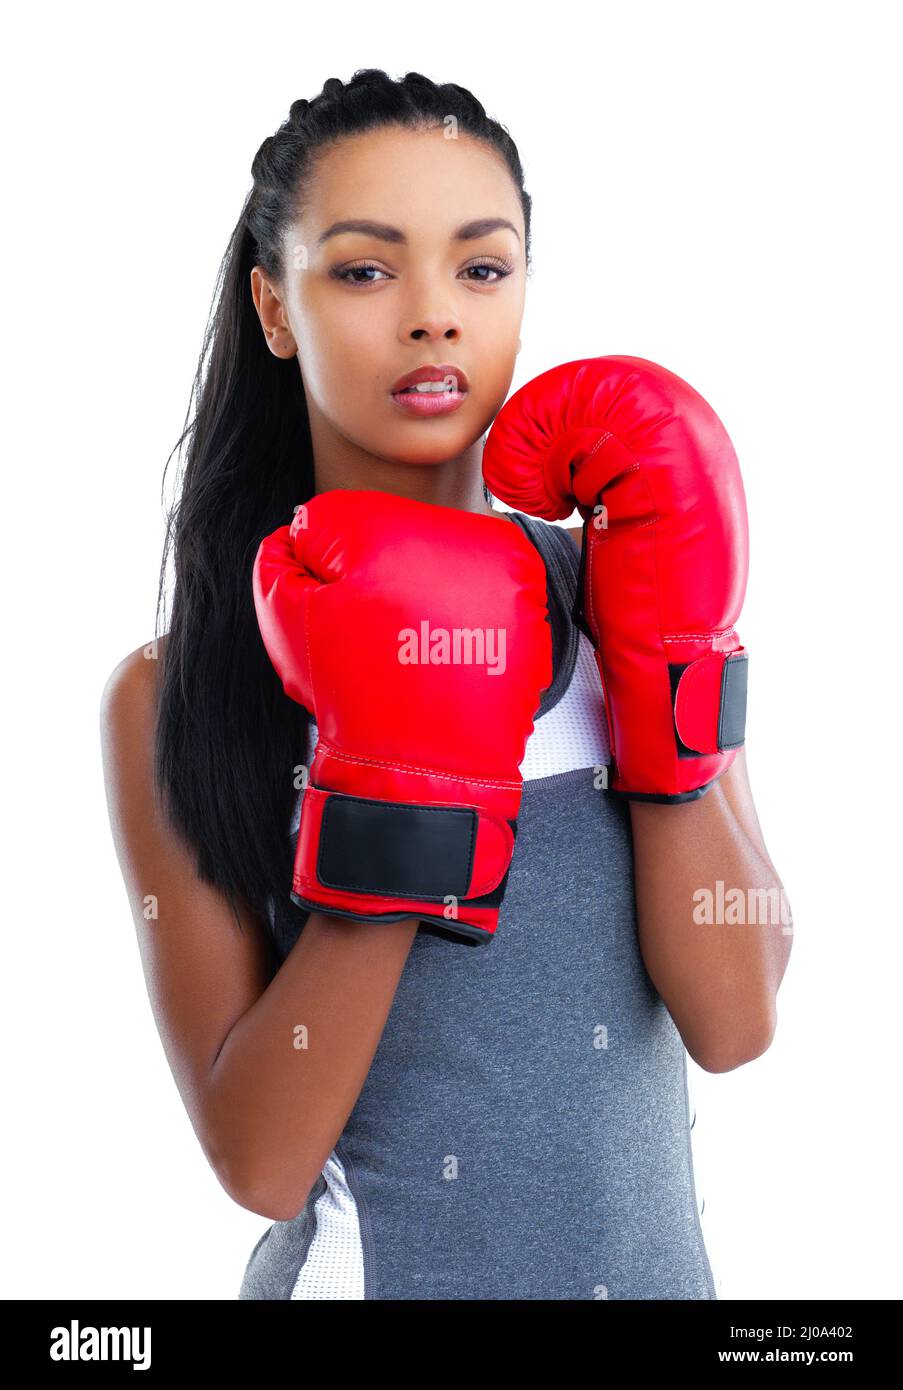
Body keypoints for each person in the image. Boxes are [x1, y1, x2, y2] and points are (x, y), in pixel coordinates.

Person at [99, 68, 791, 1300]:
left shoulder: (629, 587)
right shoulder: (178, 688)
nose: (434, 316)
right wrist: (408, 783)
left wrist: (665, 684)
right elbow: (259, 1159)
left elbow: (734, 1023)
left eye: (482, 268)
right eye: (366, 270)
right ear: (274, 306)